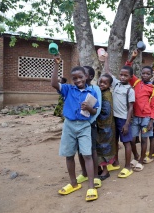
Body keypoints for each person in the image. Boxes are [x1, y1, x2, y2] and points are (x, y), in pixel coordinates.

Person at [51, 54, 99, 201]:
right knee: (69, 154)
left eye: (80, 77)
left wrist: (90, 108)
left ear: (86, 77)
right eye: (75, 78)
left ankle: (91, 186)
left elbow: (95, 111)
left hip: (84, 125)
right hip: (69, 125)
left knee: (87, 155)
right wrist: (57, 65)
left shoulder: (92, 92)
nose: (78, 80)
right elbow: (54, 84)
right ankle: (73, 183)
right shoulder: (68, 89)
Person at [103, 55, 135, 178]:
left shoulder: (130, 90)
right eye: (121, 74)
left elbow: (131, 107)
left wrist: (127, 123)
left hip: (123, 120)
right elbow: (107, 72)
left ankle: (127, 166)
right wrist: (106, 59)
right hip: (113, 118)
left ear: (130, 77)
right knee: (114, 141)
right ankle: (115, 162)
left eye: (125, 75)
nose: (122, 77)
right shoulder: (116, 84)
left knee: (126, 142)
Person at [125, 51, 154, 172]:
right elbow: (127, 69)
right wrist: (132, 58)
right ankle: (136, 156)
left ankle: (141, 160)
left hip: (146, 118)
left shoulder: (152, 88)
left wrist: (151, 121)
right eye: (143, 73)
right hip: (135, 117)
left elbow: (153, 106)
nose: (145, 75)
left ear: (151, 76)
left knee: (144, 139)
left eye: (147, 74)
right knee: (132, 139)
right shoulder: (136, 82)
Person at [76, 67, 102, 189]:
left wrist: (89, 122)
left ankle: (95, 175)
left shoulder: (95, 89)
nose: (81, 76)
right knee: (80, 150)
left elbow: (98, 108)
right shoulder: (76, 88)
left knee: (92, 150)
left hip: (90, 124)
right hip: (77, 124)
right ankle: (84, 172)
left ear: (90, 77)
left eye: (84, 74)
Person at [96, 74, 116, 181]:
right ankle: (98, 168)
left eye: (105, 83)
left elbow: (106, 111)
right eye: (101, 82)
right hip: (100, 125)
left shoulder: (107, 95)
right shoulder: (100, 93)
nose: (102, 84)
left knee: (104, 148)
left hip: (106, 126)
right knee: (98, 147)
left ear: (109, 85)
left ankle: (105, 170)